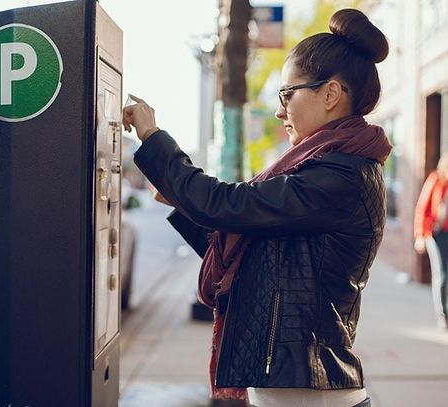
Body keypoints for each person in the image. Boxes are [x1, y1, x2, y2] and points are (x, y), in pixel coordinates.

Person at [122, 8, 391, 407]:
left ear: (330, 94)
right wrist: (182, 201)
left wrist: (153, 136)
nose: (281, 111)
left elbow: (228, 205)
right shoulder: (325, 168)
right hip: (292, 393)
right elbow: (248, 248)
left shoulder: (341, 176)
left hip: (314, 397)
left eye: (287, 94)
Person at [414, 152, 448, 330]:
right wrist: (420, 235)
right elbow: (422, 208)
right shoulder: (436, 179)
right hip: (435, 233)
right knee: (441, 274)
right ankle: (442, 314)